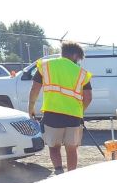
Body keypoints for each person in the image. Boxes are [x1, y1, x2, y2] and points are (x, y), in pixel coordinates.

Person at [28, 42, 92, 174]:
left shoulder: (46, 66)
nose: (77, 62)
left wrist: (31, 107)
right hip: (74, 117)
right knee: (72, 148)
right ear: (74, 55)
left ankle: (59, 172)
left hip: (52, 115)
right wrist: (80, 112)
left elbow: (34, 89)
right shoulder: (81, 73)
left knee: (54, 147)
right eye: (78, 59)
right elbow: (88, 97)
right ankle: (71, 176)